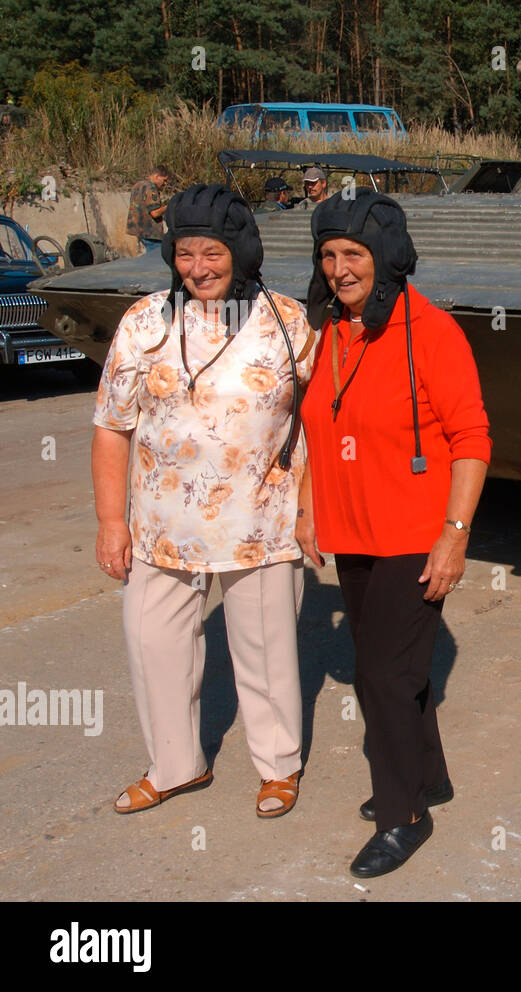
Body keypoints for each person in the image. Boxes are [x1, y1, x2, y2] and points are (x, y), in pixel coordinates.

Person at [92, 184, 315, 819]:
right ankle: (174, 766)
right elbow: (112, 424)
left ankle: (278, 768)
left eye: (212, 252)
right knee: (153, 644)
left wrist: (310, 508)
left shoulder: (286, 320)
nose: (198, 268)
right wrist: (112, 521)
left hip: (259, 521)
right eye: (185, 253)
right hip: (161, 524)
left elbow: (320, 422)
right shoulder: (143, 322)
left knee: (266, 651)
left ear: (240, 250)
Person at [297, 189, 490, 878]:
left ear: (386, 259)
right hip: (354, 533)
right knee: (395, 671)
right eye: (328, 255)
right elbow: (318, 427)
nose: (339, 269)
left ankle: (404, 812)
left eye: (354, 255)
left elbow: (471, 438)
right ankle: (427, 775)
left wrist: (455, 535)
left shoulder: (432, 333)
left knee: (382, 674)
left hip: (414, 534)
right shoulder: (328, 331)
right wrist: (306, 505)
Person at [127, 165, 172, 253]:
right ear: (157, 176)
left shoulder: (138, 185)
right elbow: (154, 213)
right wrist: (169, 206)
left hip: (138, 230)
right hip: (150, 234)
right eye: (164, 180)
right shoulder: (151, 188)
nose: (165, 183)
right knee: (155, 261)